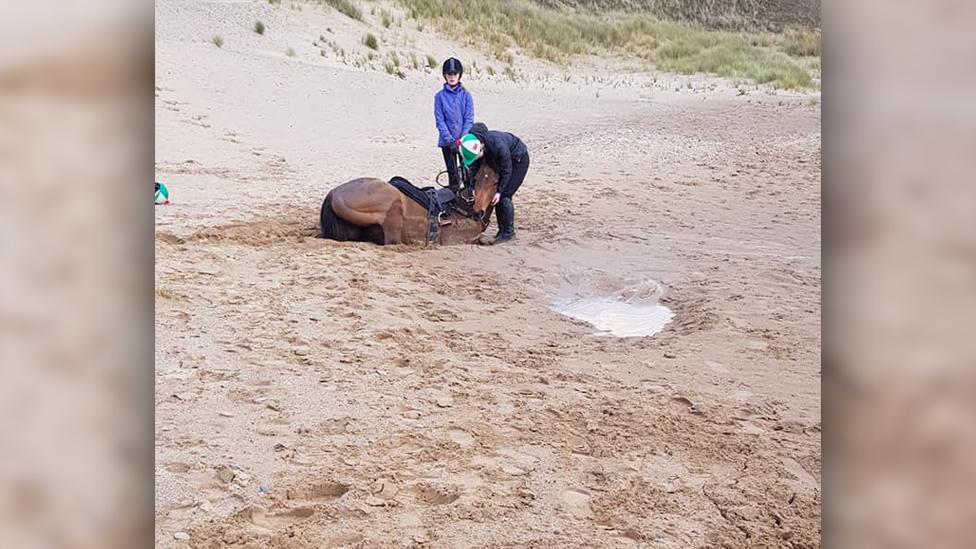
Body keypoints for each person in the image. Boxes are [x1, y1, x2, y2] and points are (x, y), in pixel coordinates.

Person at [459, 122, 529, 244]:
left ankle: (508, 233)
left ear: (481, 148)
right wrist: (471, 187)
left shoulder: (498, 145)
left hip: (517, 160)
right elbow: (473, 170)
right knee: (492, 192)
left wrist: (499, 191)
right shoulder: (477, 147)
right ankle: (495, 227)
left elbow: (507, 170)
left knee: (504, 196)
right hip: (497, 160)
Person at [433, 57, 474, 193]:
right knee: (453, 175)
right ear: (445, 75)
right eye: (449, 74)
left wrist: (461, 139)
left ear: (459, 75)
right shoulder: (439, 97)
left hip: (464, 141)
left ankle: (469, 198)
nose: (452, 77)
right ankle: (454, 200)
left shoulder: (466, 95)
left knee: (467, 172)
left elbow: (469, 118)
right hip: (447, 143)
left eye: (455, 74)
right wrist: (450, 141)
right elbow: (440, 121)